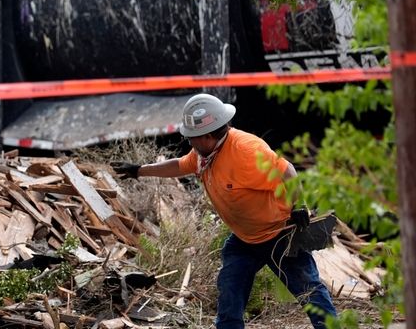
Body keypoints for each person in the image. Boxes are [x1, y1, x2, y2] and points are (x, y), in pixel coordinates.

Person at [111, 93, 336, 329]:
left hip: (279, 234)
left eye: (192, 138)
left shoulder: (246, 150)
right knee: (230, 294)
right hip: (245, 241)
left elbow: (287, 169)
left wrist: (299, 205)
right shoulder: (204, 154)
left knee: (309, 292)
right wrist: (139, 170)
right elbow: (179, 165)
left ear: (208, 136)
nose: (190, 143)